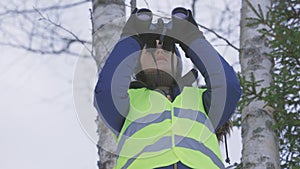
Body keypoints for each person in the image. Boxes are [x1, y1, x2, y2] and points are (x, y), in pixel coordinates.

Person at [94, 7, 242, 169]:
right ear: (136, 64)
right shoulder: (128, 102)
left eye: (167, 48)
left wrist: (191, 39)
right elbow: (107, 89)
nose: (159, 52)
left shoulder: (202, 100)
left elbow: (229, 85)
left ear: (178, 61)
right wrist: (133, 39)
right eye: (150, 48)